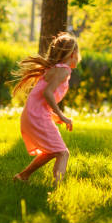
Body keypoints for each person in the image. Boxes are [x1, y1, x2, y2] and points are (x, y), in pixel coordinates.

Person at [11, 32, 81, 187]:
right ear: (73, 54)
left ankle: (22, 176)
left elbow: (41, 99)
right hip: (36, 115)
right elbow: (47, 93)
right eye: (78, 53)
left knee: (52, 151)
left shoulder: (56, 68)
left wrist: (53, 116)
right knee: (63, 153)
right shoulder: (63, 70)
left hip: (33, 114)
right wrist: (62, 116)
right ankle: (57, 188)